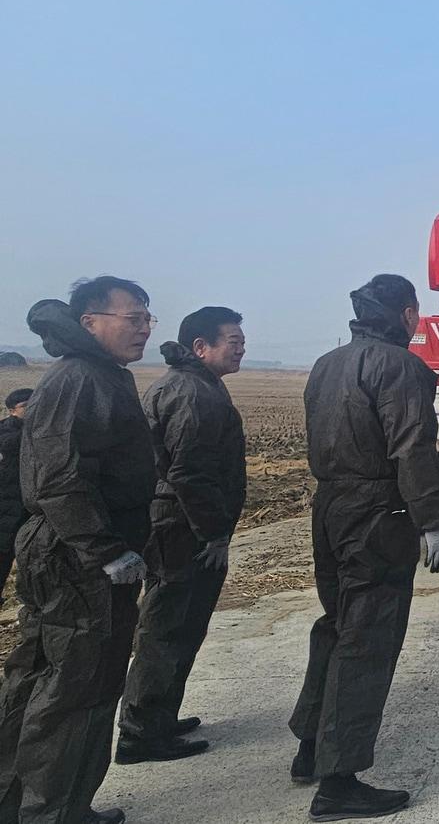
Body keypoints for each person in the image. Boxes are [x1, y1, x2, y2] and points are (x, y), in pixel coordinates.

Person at [288, 274, 439, 821]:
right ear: (406, 314)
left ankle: (310, 747)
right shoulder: (402, 367)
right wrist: (432, 521)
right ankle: (338, 784)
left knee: (336, 623)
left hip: (330, 507)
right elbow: (412, 447)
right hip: (378, 515)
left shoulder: (326, 364)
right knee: (368, 636)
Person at [0, 278, 158, 824]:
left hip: (71, 551)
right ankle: (56, 813)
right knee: (77, 685)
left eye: (147, 318)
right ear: (90, 322)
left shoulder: (97, 374)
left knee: (40, 676)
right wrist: (105, 550)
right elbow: (58, 477)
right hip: (76, 556)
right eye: (132, 317)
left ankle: (20, 804)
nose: (143, 327)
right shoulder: (79, 379)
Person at [117, 307, 247, 764]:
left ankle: (158, 716)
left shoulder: (193, 384)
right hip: (180, 527)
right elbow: (189, 473)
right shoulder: (193, 393)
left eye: (240, 337)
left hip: (178, 521)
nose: (241, 345)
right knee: (168, 626)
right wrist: (214, 535)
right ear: (200, 347)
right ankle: (140, 732)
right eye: (231, 338)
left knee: (179, 624)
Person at [0, 390, 34, 601]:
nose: (32, 409)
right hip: (6, 514)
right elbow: (11, 443)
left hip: (29, 513)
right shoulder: (7, 434)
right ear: (12, 410)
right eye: (26, 406)